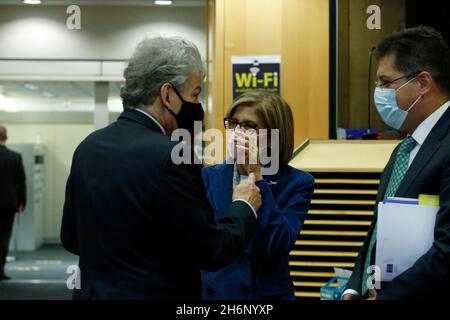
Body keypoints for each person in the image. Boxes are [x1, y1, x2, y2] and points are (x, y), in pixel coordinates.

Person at [60, 37, 262, 300]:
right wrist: (243, 205)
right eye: (195, 94)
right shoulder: (174, 156)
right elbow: (213, 251)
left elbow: (71, 238)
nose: (197, 106)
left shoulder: (88, 147)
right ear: (167, 95)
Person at [343, 26, 450, 300]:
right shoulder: (404, 148)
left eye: (386, 82)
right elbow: (379, 231)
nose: (379, 93)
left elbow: (446, 250)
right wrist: (354, 288)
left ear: (423, 83)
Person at [201, 91, 314, 300]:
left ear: (272, 137)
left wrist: (257, 177)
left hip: (263, 296)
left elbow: (278, 244)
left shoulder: (298, 183)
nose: (238, 131)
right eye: (234, 123)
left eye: (249, 126)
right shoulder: (208, 176)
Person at [0, 125, 26, 281]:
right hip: (8, 204)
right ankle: (0, 270)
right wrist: (23, 201)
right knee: (3, 237)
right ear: (6, 137)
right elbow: (21, 182)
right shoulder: (15, 157)